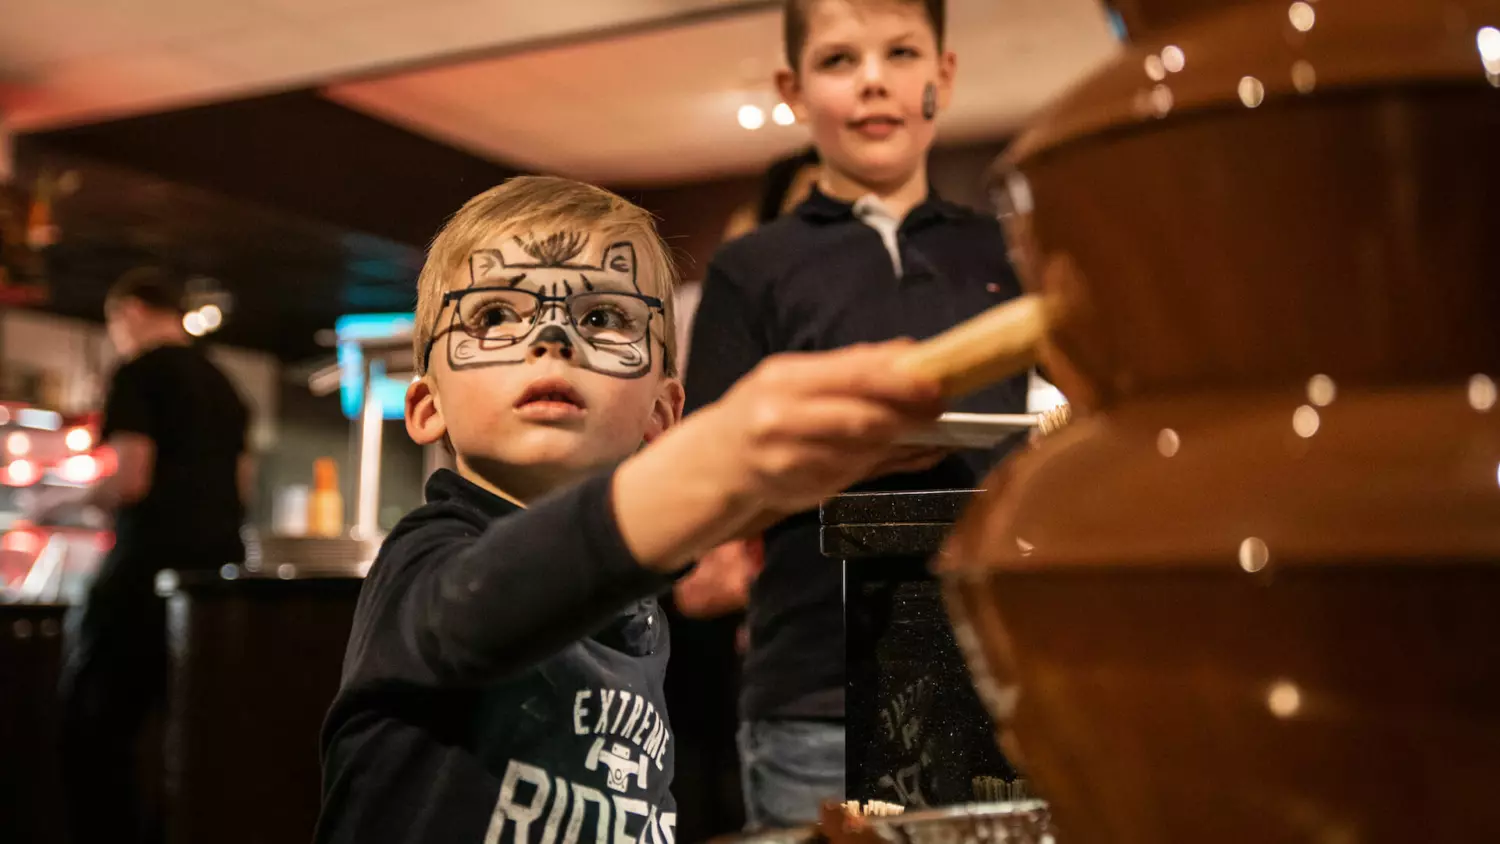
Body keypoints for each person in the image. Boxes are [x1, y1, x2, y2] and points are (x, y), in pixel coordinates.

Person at [314, 175, 948, 843]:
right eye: (495, 315)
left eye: (602, 318)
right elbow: (474, 610)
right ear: (425, 406)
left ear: (662, 411)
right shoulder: (424, 557)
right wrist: (718, 460)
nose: (552, 336)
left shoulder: (639, 609)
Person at [682, 0, 1034, 829]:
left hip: (988, 672)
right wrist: (830, 459)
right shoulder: (750, 268)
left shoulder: (1007, 254)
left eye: (902, 53)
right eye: (840, 61)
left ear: (941, 77)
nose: (874, 81)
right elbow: (707, 486)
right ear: (794, 89)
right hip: (814, 684)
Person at [44, 266, 251, 844]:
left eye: (114, 325)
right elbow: (243, 487)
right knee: (184, 728)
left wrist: (67, 498)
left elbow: (130, 478)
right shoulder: (224, 383)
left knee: (92, 724)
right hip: (209, 583)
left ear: (130, 311)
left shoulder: (139, 372)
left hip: (144, 572)